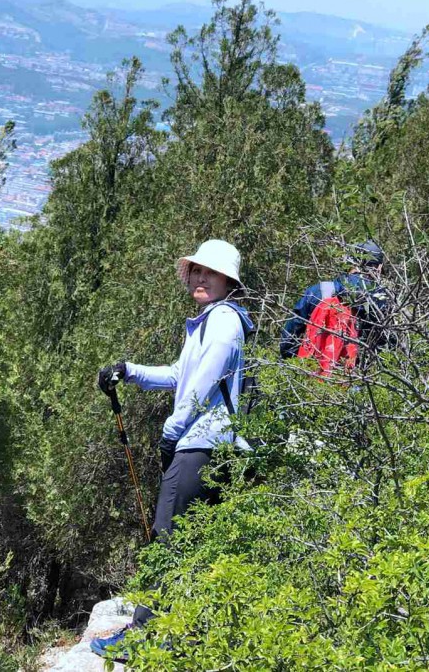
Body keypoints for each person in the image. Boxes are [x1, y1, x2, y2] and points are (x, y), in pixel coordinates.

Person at [89, 238, 254, 661]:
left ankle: (143, 638)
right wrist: (128, 371)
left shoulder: (221, 322)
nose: (200, 277)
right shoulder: (215, 320)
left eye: (210, 273)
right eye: (196, 270)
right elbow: (181, 374)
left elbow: (200, 385)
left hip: (200, 444)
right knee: (193, 542)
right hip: (216, 444)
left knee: (167, 538)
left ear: (227, 282)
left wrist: (172, 428)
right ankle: (184, 635)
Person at [279, 240, 389, 368]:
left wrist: (293, 363)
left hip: (313, 372)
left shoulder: (319, 290)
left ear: (350, 263)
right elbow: (387, 346)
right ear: (379, 267)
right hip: (356, 377)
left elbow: (291, 333)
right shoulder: (382, 299)